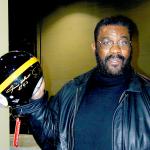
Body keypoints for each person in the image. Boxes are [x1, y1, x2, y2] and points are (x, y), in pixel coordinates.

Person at [5, 15, 150, 149]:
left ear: (130, 47)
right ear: (94, 47)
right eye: (106, 42)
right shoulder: (72, 90)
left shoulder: (147, 95)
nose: (116, 50)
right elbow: (50, 140)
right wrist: (36, 100)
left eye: (123, 42)